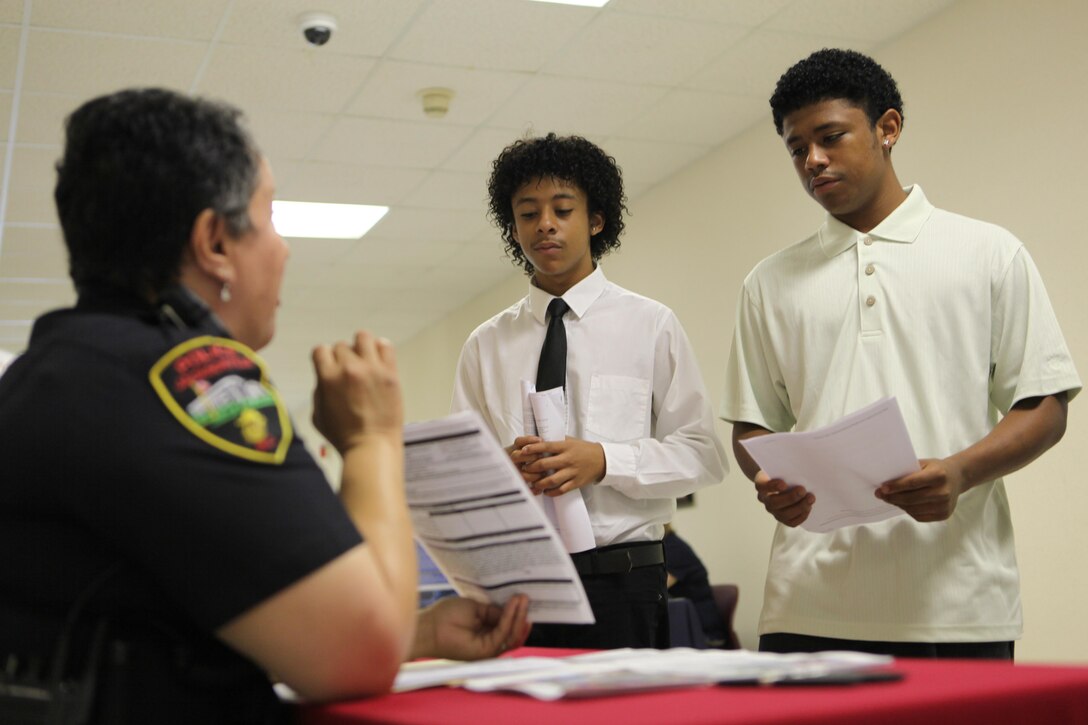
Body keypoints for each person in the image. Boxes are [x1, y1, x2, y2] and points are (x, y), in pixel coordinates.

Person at [0, 88, 529, 724]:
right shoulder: (193, 388)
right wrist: (370, 442)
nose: (282, 247)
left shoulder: (50, 375)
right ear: (214, 243)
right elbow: (358, 654)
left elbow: (173, 621)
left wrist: (419, 634)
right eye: (270, 215)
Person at [720, 49, 1080, 659]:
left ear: (888, 128)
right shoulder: (768, 281)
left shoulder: (988, 252)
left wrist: (961, 472)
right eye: (796, 147)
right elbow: (754, 421)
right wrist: (768, 480)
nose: (813, 160)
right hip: (807, 606)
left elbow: (1044, 405)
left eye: (830, 137)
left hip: (957, 605)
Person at [451, 133, 728, 650]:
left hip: (625, 581)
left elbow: (703, 455)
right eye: (528, 213)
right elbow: (464, 474)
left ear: (596, 220)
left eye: (562, 209)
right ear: (513, 227)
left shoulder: (651, 325)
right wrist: (502, 474)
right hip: (523, 586)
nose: (545, 225)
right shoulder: (484, 345)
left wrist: (603, 461)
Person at [663, 524, 725, 647]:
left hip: (703, 631)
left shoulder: (674, 548)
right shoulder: (669, 544)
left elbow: (658, 588)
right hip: (686, 625)